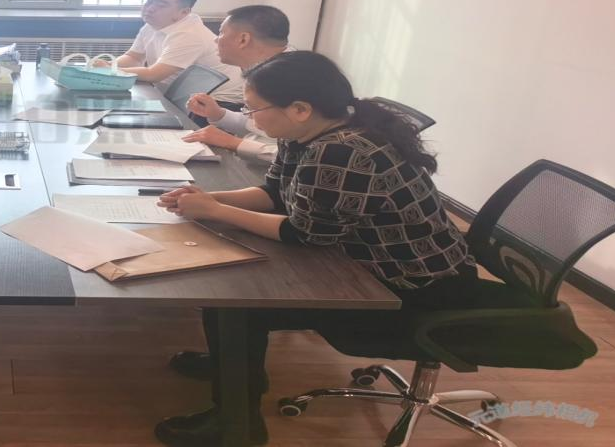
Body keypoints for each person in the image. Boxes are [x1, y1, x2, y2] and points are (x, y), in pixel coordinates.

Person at [153, 51, 477, 447]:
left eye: (255, 110)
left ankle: (236, 426)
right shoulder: (306, 134)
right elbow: (275, 194)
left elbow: (305, 233)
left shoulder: (342, 150)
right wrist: (209, 200)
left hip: (415, 286)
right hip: (369, 260)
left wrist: (216, 211)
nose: (251, 119)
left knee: (239, 305)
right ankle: (232, 364)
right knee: (230, 288)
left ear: (300, 109)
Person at [181, 4, 292, 162]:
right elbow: (257, 126)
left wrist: (232, 142)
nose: (215, 39)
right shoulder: (262, 69)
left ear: (243, 39)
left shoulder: (292, 78)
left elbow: (298, 156)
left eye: (221, 33)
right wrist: (218, 114)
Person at [108, 0, 242, 103]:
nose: (150, 8)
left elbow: (154, 74)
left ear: (183, 12)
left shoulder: (189, 34)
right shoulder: (152, 24)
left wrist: (110, 70)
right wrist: (108, 65)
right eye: (149, 1)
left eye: (161, 5)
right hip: (185, 97)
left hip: (220, 101)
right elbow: (134, 57)